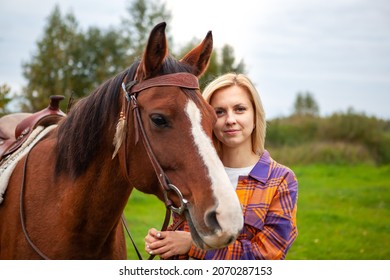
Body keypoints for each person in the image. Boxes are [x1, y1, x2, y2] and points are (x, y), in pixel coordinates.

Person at [144, 73, 298, 260]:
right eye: (220, 112)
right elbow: (180, 240)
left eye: (240, 109)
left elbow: (268, 256)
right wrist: (165, 242)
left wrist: (192, 245)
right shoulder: (197, 173)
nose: (230, 119)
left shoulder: (280, 179)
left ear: (255, 115)